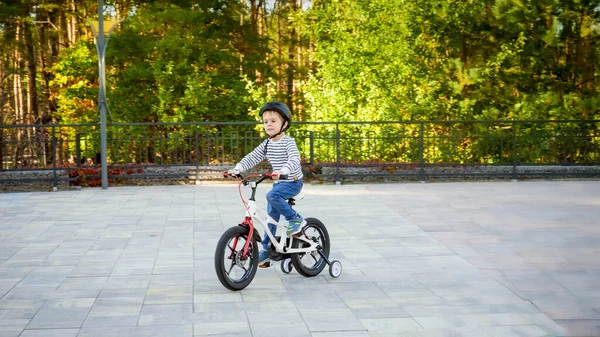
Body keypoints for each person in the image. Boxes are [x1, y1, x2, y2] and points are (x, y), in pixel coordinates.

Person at [228, 101, 305, 268]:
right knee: (270, 217)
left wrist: (283, 170)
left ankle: (295, 218)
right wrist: (238, 168)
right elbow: (253, 157)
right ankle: (265, 250)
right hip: (279, 183)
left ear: (284, 124)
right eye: (265, 122)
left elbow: (294, 159)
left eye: (273, 121)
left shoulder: (288, 142)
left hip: (292, 181)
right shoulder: (267, 143)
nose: (268, 124)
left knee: (272, 196)